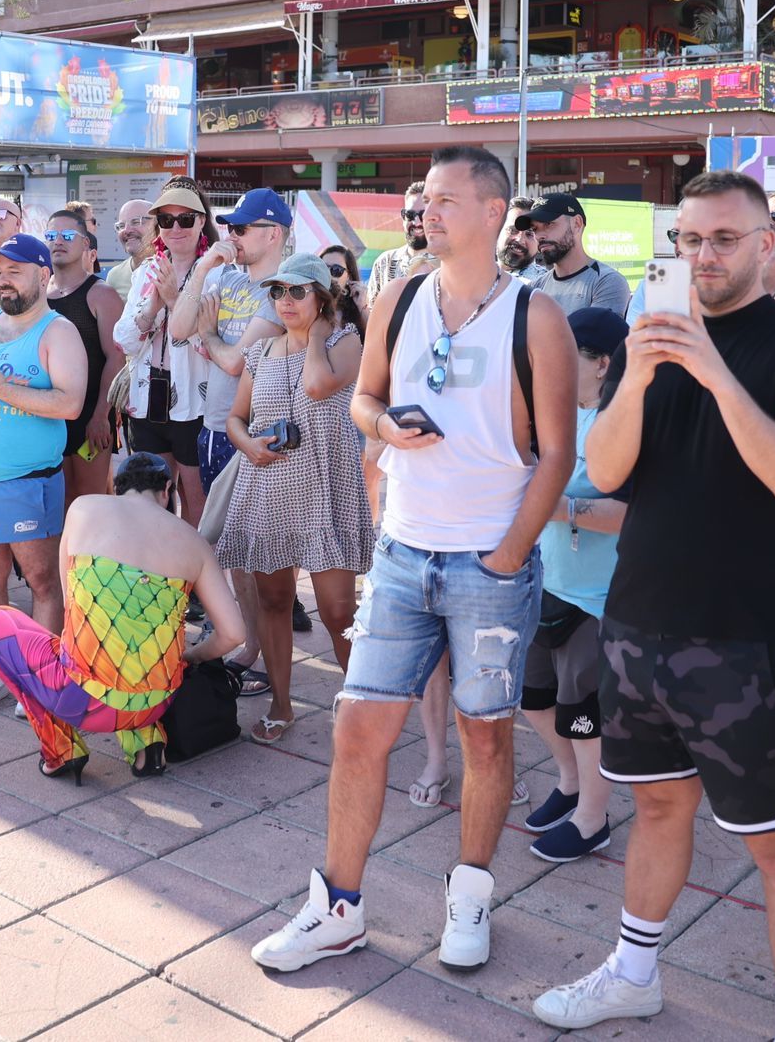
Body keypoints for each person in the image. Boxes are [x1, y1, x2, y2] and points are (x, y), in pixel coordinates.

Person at [534, 170, 775, 1035]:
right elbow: (607, 471)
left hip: (744, 640)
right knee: (656, 805)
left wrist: (712, 370)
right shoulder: (653, 338)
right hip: (638, 624)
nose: (703, 255)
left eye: (723, 238)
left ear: (766, 246)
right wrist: (639, 373)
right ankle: (633, 973)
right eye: (689, 239)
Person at [252, 146, 575, 976]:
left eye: (446, 200)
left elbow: (558, 455)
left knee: (485, 740)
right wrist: (385, 425)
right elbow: (363, 399)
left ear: (494, 212)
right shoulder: (398, 298)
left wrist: (507, 555)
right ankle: (337, 909)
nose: (427, 212)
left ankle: (470, 897)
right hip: (403, 553)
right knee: (359, 729)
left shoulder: (535, 316)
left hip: (488, 564)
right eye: (425, 200)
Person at [0, 453, 247, 783]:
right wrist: (189, 657)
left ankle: (62, 751)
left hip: (82, 701)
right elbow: (234, 634)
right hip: (157, 701)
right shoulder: (194, 541)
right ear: (167, 490)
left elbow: (69, 603)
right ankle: (148, 746)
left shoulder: (83, 508)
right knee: (139, 642)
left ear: (117, 488)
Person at [215, 252, 368, 742]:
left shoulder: (344, 341)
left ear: (321, 297)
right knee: (275, 601)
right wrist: (248, 445)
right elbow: (235, 419)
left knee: (338, 612)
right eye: (278, 291)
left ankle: (364, 710)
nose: (285, 300)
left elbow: (318, 386)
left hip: (326, 489)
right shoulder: (260, 353)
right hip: (269, 489)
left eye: (298, 291)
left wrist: (317, 336)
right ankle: (281, 706)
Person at [0, 233, 89, 718]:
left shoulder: (57, 331)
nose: (2, 281)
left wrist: (1, 388)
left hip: (27, 482)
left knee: (43, 580)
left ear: (43, 275)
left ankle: (43, 674)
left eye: (15, 271)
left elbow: (70, 403)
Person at [520, 307, 629, 864]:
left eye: (569, 352)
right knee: (532, 697)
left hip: (598, 598)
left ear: (602, 363)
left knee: (583, 714)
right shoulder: (559, 410)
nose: (554, 359)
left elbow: (631, 514)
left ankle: (593, 818)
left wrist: (561, 508)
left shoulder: (624, 423)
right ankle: (569, 784)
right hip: (548, 581)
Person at [176, 187, 292, 656]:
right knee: (230, 551)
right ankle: (247, 642)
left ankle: (258, 649)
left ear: (274, 233)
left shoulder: (284, 288)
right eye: (230, 227)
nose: (233, 236)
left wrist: (210, 335)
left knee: (255, 553)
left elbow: (236, 362)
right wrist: (204, 266)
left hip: (251, 432)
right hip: (214, 427)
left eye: (242, 228)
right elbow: (178, 328)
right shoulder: (226, 278)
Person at [113, 183, 220, 522]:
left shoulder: (218, 274)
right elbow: (125, 341)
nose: (176, 228)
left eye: (185, 219)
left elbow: (211, 347)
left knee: (197, 506)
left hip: (195, 402)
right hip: (147, 399)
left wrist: (175, 301)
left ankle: (195, 559)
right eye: (166, 220)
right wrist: (152, 308)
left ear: (201, 221)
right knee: (150, 504)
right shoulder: (148, 271)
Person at [45, 210, 123, 505]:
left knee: (89, 503)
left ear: (86, 244)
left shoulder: (101, 295)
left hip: (90, 417)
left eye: (67, 235)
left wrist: (101, 416)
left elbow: (116, 360)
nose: (58, 241)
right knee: (59, 504)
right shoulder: (40, 294)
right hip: (50, 417)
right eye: (51, 236)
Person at [523, 192, 632, 316]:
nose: (539, 236)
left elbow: (595, 328)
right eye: (534, 229)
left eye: (548, 224)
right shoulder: (535, 287)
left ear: (576, 224)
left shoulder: (606, 281)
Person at [365, 180, 437, 307]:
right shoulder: (384, 263)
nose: (417, 222)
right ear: (403, 217)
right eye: (410, 215)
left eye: (423, 215)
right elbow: (372, 312)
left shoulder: (448, 264)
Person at [104, 199, 155, 303]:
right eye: (121, 226)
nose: (126, 230)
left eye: (136, 222)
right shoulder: (115, 276)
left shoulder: (173, 270)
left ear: (157, 225)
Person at [319, 244, 368, 332]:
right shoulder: (306, 302)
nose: (328, 275)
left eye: (336, 270)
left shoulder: (358, 311)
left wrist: (362, 307)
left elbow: (377, 336)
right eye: (323, 268)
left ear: (349, 276)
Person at [499, 195, 547, 282]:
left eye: (529, 234)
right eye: (513, 230)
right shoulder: (475, 274)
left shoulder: (545, 284)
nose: (520, 240)